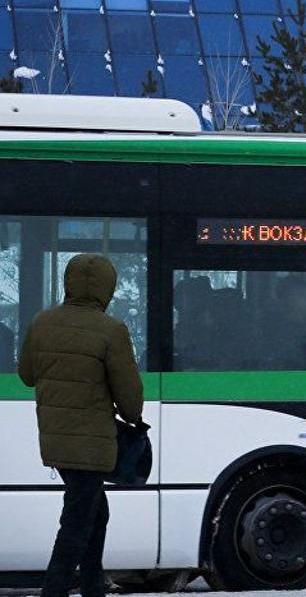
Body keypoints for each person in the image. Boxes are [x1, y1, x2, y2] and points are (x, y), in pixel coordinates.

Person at [17, 254, 143, 597]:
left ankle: (92, 585)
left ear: (68, 282)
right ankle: (54, 590)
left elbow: (27, 375)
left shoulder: (42, 323)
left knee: (94, 512)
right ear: (107, 288)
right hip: (92, 443)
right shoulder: (111, 330)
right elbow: (130, 401)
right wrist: (132, 418)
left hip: (57, 441)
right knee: (76, 523)